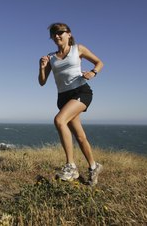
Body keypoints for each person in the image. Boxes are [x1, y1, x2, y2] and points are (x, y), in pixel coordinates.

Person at [38, 22, 104, 186]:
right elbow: (42, 82)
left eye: (60, 32)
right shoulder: (51, 57)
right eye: (54, 34)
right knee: (80, 136)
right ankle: (94, 166)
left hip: (81, 92)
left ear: (69, 34)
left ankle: (71, 166)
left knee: (59, 120)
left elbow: (99, 62)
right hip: (63, 98)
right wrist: (42, 67)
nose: (57, 36)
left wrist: (92, 73)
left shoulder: (78, 49)